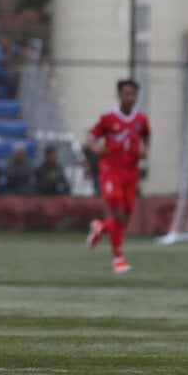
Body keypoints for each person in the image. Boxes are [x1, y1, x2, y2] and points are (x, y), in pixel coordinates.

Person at [84, 79, 150, 274]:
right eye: (127, 93)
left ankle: (100, 228)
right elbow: (91, 135)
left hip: (131, 171)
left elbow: (147, 136)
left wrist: (145, 150)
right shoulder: (108, 118)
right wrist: (96, 148)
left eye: (133, 94)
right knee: (118, 213)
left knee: (125, 216)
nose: (130, 97)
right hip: (111, 170)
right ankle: (118, 259)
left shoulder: (141, 120)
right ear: (119, 95)